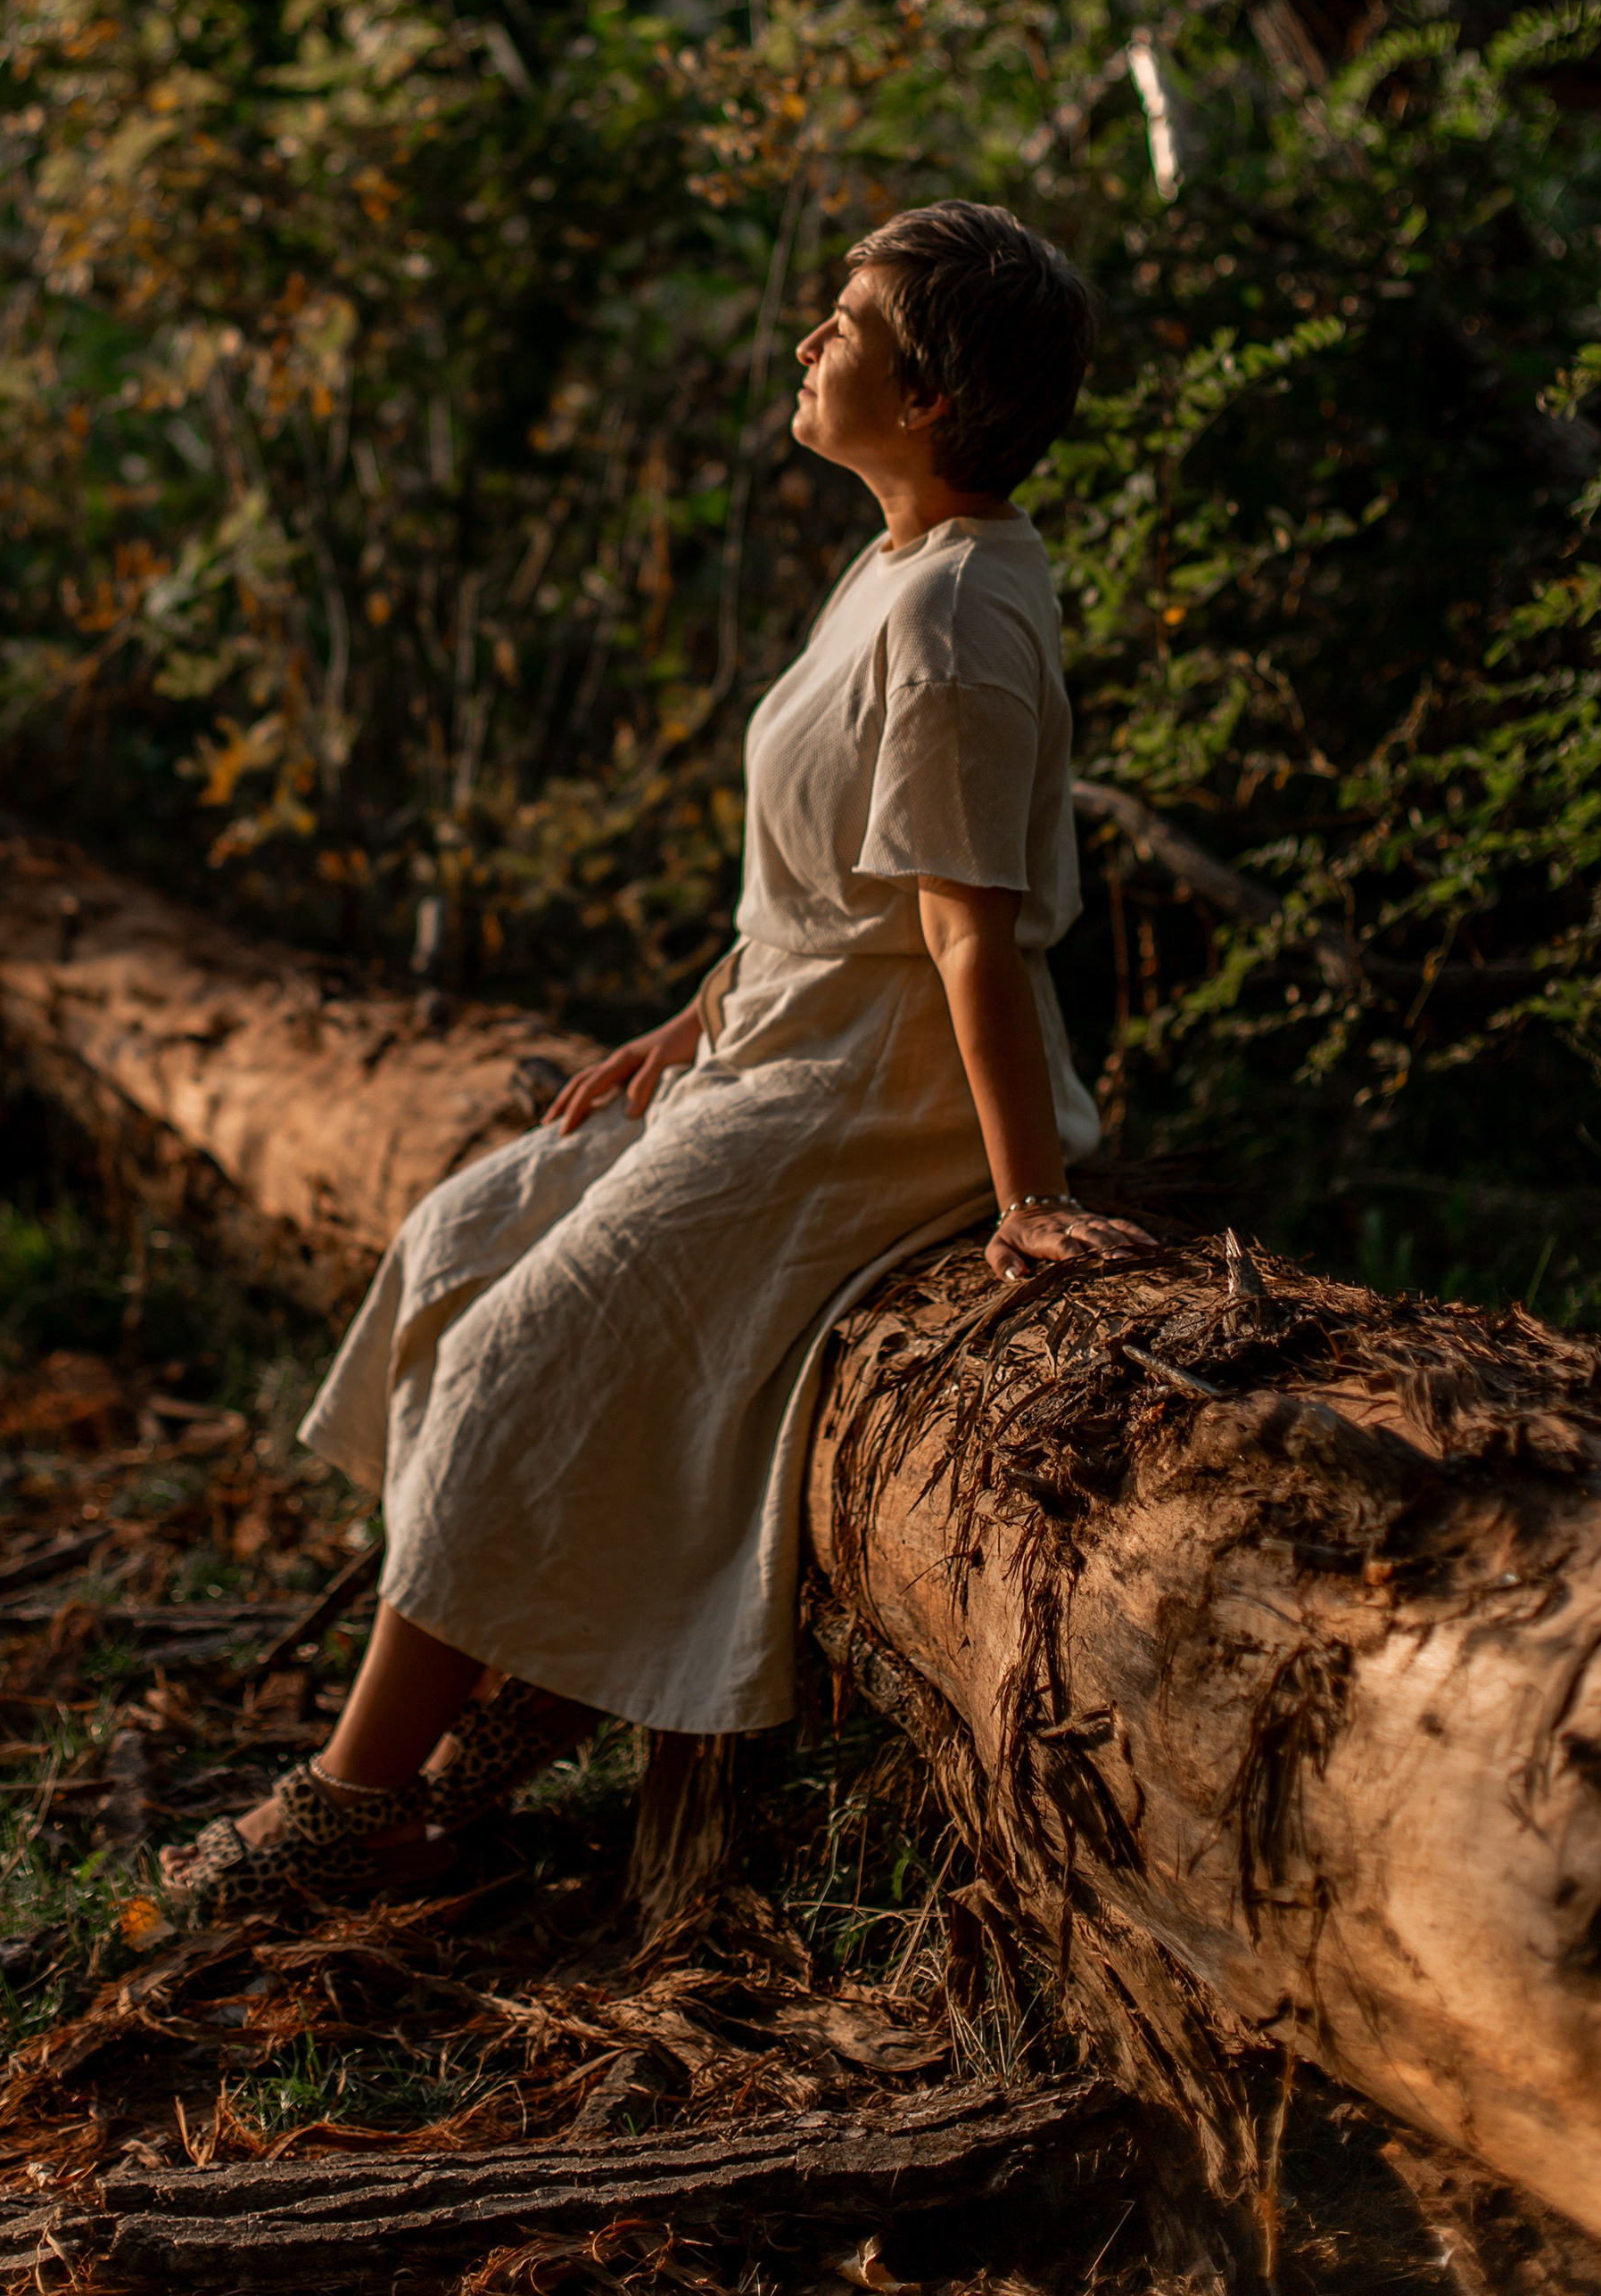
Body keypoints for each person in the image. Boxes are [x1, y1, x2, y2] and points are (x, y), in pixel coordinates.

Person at [160, 200, 1150, 1914]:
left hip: (871, 1099)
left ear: (926, 401)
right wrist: (697, 1013)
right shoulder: (898, 563)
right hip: (780, 1036)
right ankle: (526, 1681)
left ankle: (349, 1807)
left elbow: (972, 934)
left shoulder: (959, 623)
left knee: (520, 1358)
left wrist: (1027, 1205)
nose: (807, 343)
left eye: (845, 324)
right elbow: (840, 871)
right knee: (464, 1242)